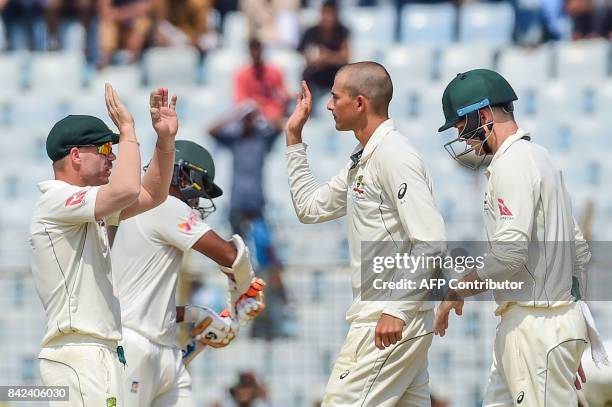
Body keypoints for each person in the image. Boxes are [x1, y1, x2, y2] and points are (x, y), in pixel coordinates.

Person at [434, 68, 607, 406]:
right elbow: (580, 251)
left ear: (483, 115)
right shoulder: (540, 157)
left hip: (536, 325)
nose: (463, 138)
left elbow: (509, 255)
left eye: (460, 127)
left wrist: (457, 289)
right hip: (535, 327)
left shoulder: (513, 163)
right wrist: (567, 334)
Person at [285, 62, 446, 405]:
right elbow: (310, 209)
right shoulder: (364, 158)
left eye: (336, 97)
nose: (328, 106)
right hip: (393, 320)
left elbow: (431, 243)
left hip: (386, 320)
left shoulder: (394, 154)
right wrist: (294, 140)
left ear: (360, 103)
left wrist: (396, 310)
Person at [30, 84, 178, 405]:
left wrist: (165, 142)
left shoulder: (87, 205)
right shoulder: (56, 199)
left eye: (112, 149)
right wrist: (127, 130)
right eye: (102, 150)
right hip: (79, 352)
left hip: (97, 351)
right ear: (74, 156)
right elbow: (126, 189)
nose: (111, 156)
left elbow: (152, 194)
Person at [111, 139, 265, 406]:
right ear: (183, 175)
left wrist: (198, 315)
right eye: (199, 190)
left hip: (163, 350)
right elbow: (231, 255)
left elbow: (146, 300)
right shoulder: (163, 204)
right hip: (133, 346)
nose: (197, 201)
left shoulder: (146, 207)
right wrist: (244, 292)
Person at [297, 0, 349, 98]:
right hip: (315, 72)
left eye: (331, 13)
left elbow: (345, 57)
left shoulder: (343, 31)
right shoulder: (311, 32)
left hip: (334, 73)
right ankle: (306, 103)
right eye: (326, 13)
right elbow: (302, 52)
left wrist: (328, 57)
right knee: (306, 74)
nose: (328, 17)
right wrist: (313, 59)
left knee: (345, 74)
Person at [234, 38, 290, 128]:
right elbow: (241, 101)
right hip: (253, 117)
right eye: (253, 50)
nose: (256, 53)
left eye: (258, 49)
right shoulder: (242, 74)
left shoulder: (275, 72)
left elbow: (283, 97)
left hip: (274, 116)